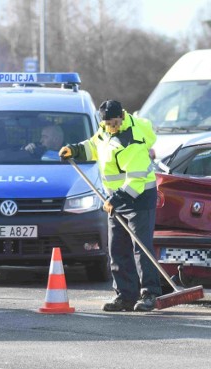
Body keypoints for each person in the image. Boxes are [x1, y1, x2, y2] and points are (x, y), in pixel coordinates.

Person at [59, 100, 161, 312]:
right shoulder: (105, 131)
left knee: (141, 249)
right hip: (116, 199)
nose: (111, 127)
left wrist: (116, 200)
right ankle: (125, 296)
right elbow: (94, 145)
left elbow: (136, 179)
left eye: (114, 123)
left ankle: (150, 294)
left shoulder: (132, 139)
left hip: (138, 198)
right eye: (107, 124)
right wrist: (74, 150)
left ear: (122, 117)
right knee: (117, 249)